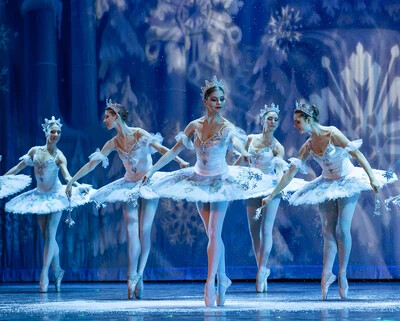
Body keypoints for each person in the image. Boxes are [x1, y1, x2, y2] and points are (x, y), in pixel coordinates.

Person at [142, 76, 273, 307]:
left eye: (222, 99)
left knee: (214, 232)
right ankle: (223, 278)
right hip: (198, 181)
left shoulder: (227, 127)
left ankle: (210, 281)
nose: (219, 103)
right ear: (205, 100)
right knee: (212, 235)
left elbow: (236, 143)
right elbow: (173, 151)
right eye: (215, 99)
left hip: (220, 181)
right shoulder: (194, 125)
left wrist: (244, 152)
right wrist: (152, 169)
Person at [261, 101, 397, 300]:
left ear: (309, 120)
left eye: (298, 122)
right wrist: (272, 194)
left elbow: (357, 154)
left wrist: (372, 177)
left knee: (342, 229)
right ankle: (326, 274)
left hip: (348, 180)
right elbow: (290, 174)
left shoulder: (332, 133)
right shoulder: (307, 146)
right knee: (327, 231)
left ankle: (342, 273)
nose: (295, 125)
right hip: (327, 183)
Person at [65, 100, 188, 300]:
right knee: (131, 230)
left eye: (107, 116)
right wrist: (72, 179)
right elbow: (91, 164)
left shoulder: (139, 133)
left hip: (149, 183)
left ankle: (140, 273)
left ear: (117, 116)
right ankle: (131, 276)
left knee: (144, 231)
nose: (104, 120)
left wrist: (180, 161)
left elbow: (162, 149)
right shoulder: (112, 143)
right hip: (128, 185)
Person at [5, 117, 93, 292]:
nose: (56, 135)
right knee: (46, 236)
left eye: (59, 132)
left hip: (55, 196)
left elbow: (67, 177)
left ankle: (44, 274)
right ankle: (58, 270)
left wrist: (77, 185)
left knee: (51, 234)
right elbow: (17, 168)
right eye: (53, 131)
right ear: (46, 132)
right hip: (40, 196)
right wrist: (3, 178)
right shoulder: (35, 151)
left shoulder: (59, 155)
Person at [234, 103, 306, 293]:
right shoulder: (250, 139)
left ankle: (260, 272)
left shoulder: (278, 147)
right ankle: (262, 268)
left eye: (276, 119)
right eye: (270, 118)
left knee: (266, 230)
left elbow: (280, 169)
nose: (273, 122)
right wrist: (230, 175)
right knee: (254, 231)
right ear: (262, 120)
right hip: (252, 187)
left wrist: (276, 190)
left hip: (270, 188)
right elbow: (240, 162)